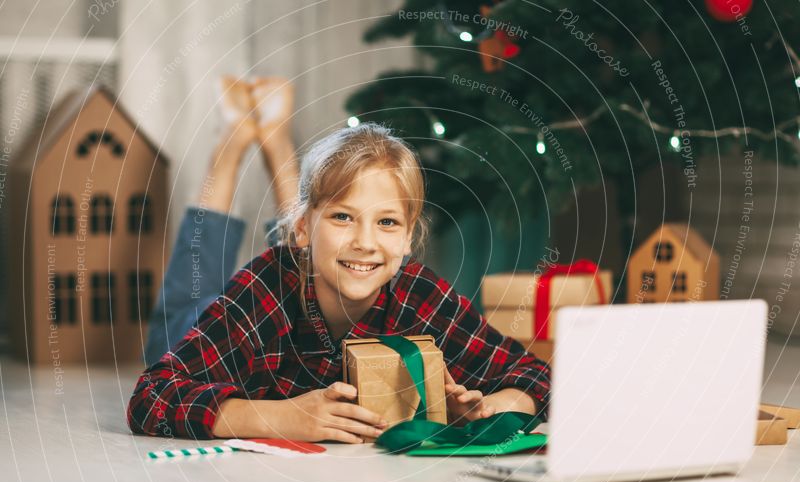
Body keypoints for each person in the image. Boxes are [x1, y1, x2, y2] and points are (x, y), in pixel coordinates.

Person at [129, 122, 551, 443]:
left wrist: (487, 409)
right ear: (300, 228)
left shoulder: (420, 297)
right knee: (188, 296)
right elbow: (150, 397)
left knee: (333, 255)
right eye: (342, 216)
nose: (366, 242)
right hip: (194, 330)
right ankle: (238, 143)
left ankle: (277, 143)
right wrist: (281, 418)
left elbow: (538, 377)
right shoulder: (266, 284)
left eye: (387, 222)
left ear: (408, 239)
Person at [144, 76, 299, 366]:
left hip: (203, 347)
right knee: (306, 285)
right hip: (272, 336)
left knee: (180, 319)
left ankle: (239, 146)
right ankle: (275, 148)